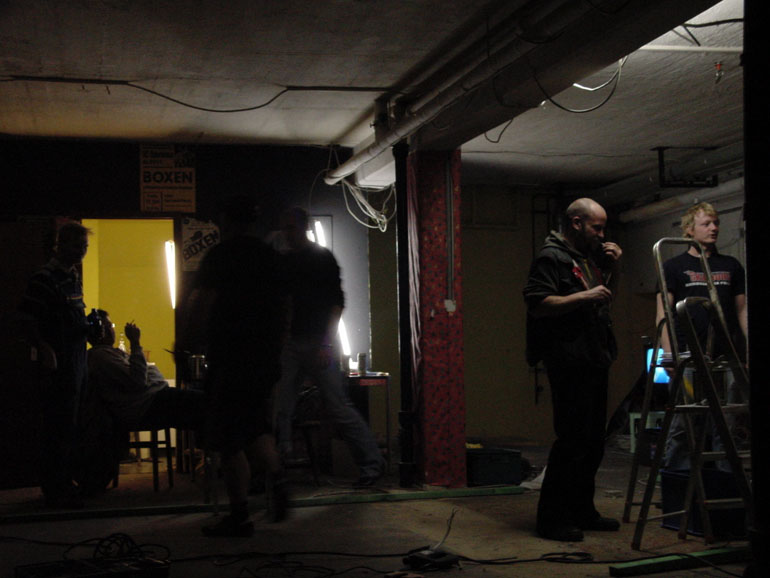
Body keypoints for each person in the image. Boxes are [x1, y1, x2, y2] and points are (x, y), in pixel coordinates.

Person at [181, 194, 288, 537]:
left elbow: (203, 301)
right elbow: (286, 307)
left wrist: (187, 342)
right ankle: (277, 473)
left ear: (226, 220)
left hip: (230, 356)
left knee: (228, 438)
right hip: (264, 358)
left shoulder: (221, 255)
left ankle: (239, 515)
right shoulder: (270, 257)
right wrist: (277, 349)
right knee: (255, 425)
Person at [523, 198, 623, 542]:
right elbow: (538, 303)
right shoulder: (551, 257)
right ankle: (552, 520)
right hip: (568, 360)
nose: (602, 234)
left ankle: (582, 510)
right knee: (572, 441)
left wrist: (615, 268)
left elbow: (604, 298)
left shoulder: (587, 258)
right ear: (576, 223)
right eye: (597, 227)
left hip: (593, 357)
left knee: (593, 441)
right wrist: (585, 297)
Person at [273, 207, 384, 488]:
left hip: (315, 341)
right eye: (284, 229)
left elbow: (336, 303)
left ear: (303, 227)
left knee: (335, 407)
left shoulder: (320, 259)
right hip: (298, 342)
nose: (286, 234)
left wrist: (325, 342)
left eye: (290, 228)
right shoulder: (290, 260)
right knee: (283, 407)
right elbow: (288, 302)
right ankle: (277, 469)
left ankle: (372, 465)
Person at [656, 202, 748, 471]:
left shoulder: (730, 265)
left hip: (725, 356)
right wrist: (669, 354)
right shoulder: (674, 267)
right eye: (706, 224)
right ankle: (678, 483)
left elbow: (742, 310)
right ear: (689, 230)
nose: (714, 228)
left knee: (726, 424)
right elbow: (663, 314)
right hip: (688, 356)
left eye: (715, 223)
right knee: (684, 424)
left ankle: (724, 483)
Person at [18, 221, 91, 508]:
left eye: (84, 247)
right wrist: (44, 348)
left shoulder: (72, 277)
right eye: (76, 245)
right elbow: (25, 319)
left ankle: (66, 482)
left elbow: (72, 317)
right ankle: (55, 488)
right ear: (59, 246)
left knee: (71, 424)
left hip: (76, 358)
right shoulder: (43, 279)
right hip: (58, 361)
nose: (81, 251)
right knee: (57, 425)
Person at [86, 310, 204, 432]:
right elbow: (139, 380)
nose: (111, 330)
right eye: (108, 326)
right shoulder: (101, 355)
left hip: (154, 398)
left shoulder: (107, 353)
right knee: (205, 404)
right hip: (147, 405)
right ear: (101, 330)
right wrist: (135, 343)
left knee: (201, 405)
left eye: (111, 325)